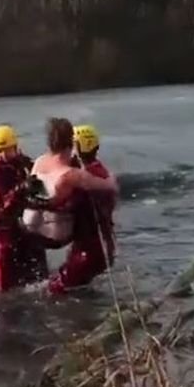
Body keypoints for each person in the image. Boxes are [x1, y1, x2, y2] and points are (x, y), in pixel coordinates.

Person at [34, 121, 119, 296]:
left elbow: (62, 205)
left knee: (56, 290)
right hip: (98, 245)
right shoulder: (96, 171)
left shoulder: (81, 178)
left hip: (91, 249)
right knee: (74, 288)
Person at [0, 124, 48, 292]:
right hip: (4, 229)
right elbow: (1, 204)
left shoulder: (23, 164)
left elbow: (40, 172)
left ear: (15, 147)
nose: (3, 155)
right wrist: (22, 188)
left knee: (39, 273)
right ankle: (3, 304)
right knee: (5, 279)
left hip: (26, 226)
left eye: (7, 150)